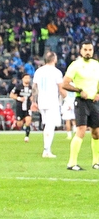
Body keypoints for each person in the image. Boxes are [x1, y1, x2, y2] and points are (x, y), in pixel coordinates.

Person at [61, 42, 99, 171]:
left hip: (94, 102)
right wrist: (78, 90)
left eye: (90, 49)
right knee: (81, 130)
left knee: (96, 133)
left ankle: (96, 162)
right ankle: (72, 163)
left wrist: (98, 93)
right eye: (85, 49)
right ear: (80, 51)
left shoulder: (96, 65)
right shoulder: (75, 65)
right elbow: (64, 84)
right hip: (81, 102)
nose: (88, 52)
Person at [32, 51, 64, 158]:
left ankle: (47, 148)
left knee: (47, 125)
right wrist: (66, 97)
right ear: (54, 59)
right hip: (52, 101)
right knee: (50, 126)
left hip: (42, 101)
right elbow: (61, 88)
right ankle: (46, 150)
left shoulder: (39, 71)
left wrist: (34, 101)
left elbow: (34, 87)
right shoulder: (57, 72)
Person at [10, 74, 33, 141]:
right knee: (19, 124)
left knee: (28, 121)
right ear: (23, 79)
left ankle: (27, 137)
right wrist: (19, 98)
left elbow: (32, 96)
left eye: (28, 78)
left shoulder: (31, 88)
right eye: (26, 78)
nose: (27, 79)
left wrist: (33, 100)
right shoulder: (18, 87)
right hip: (19, 107)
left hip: (28, 107)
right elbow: (11, 95)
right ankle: (18, 125)